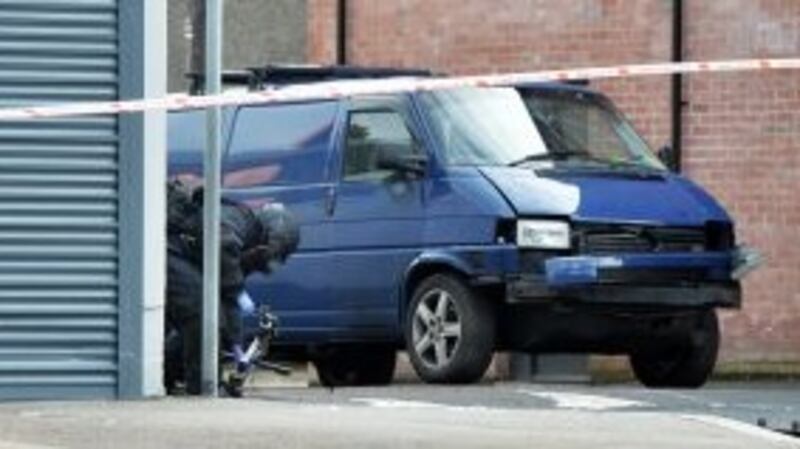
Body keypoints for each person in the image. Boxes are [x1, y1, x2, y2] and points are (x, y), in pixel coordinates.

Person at [164, 180, 299, 395]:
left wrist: (236, 346)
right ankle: (202, 387)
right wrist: (237, 290)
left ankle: (167, 375)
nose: (270, 264)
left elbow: (227, 302)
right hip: (169, 248)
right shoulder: (241, 220)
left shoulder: (242, 253)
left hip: (178, 253)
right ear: (269, 241)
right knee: (201, 310)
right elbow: (222, 243)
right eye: (274, 255)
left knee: (208, 317)